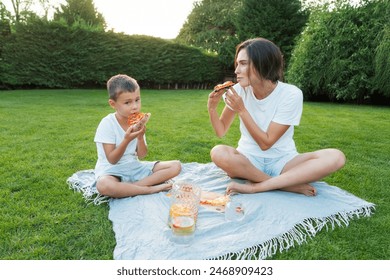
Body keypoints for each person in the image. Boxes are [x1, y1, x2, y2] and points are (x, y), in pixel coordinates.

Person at [208, 38, 345, 196]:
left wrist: (242, 110)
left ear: (263, 64)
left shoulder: (290, 94)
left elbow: (266, 143)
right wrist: (212, 108)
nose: (236, 70)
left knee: (336, 157)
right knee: (218, 152)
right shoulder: (239, 91)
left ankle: (257, 186)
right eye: (237, 63)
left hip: (284, 161)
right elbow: (221, 131)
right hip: (248, 160)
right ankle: (283, 184)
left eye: (243, 63)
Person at [94, 74, 181, 198]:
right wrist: (126, 140)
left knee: (176, 165)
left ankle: (133, 188)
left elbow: (142, 155)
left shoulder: (137, 122)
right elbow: (112, 160)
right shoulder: (107, 123)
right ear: (113, 104)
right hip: (112, 170)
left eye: (137, 100)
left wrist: (140, 137)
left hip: (134, 166)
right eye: (127, 102)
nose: (135, 106)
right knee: (103, 185)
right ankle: (150, 189)